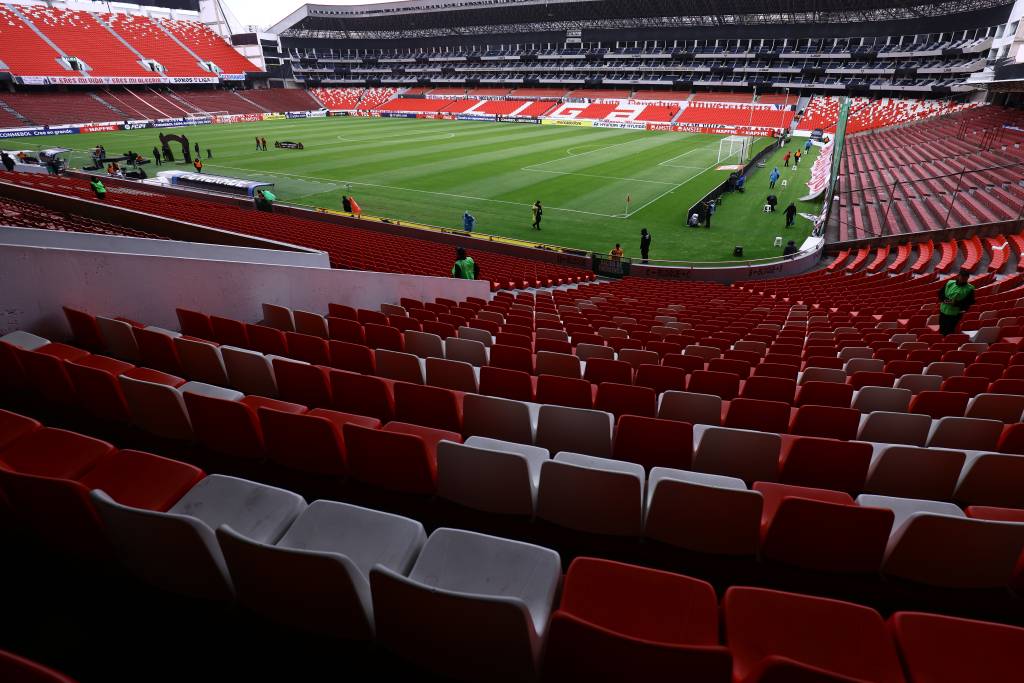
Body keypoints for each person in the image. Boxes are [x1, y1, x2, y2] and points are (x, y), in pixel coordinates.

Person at [938, 268, 976, 336]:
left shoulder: (970, 288)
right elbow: (940, 293)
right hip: (943, 311)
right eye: (962, 277)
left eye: (965, 278)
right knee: (942, 329)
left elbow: (969, 303)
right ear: (958, 276)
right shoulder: (950, 283)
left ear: (968, 278)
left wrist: (955, 303)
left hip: (955, 314)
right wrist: (944, 300)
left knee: (949, 331)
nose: (963, 279)